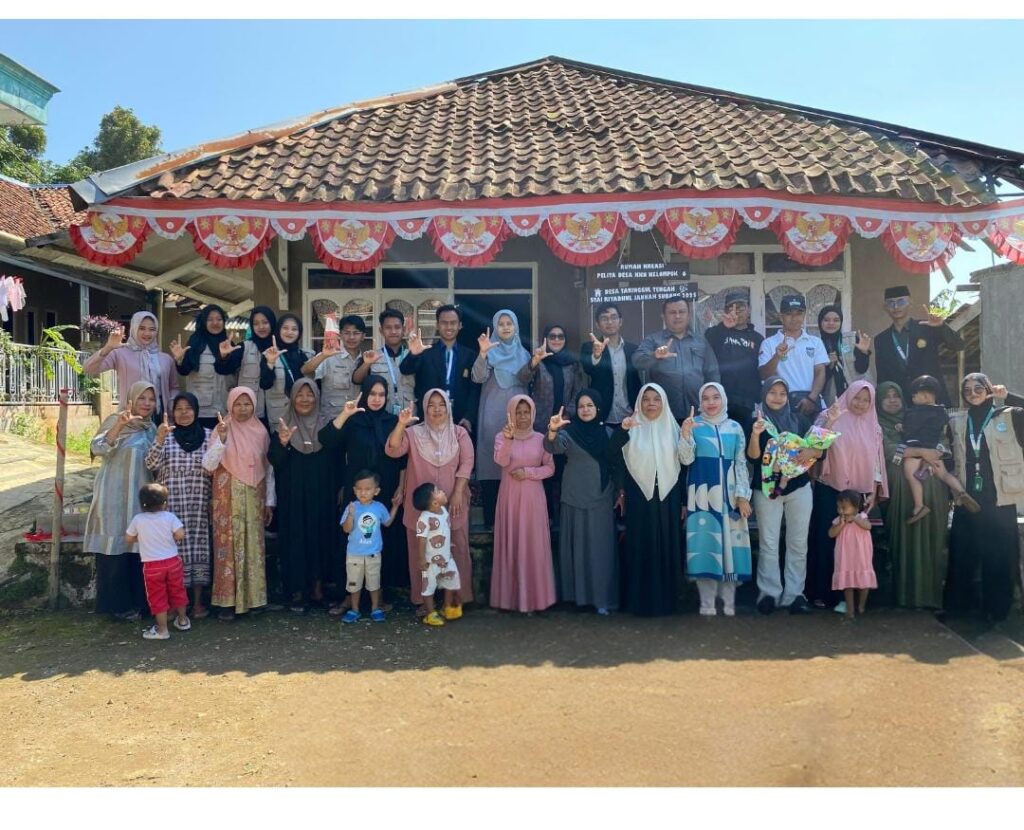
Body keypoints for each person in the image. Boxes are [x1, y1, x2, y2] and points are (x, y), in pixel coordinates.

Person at [319, 375, 408, 610]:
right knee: (351, 542)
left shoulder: (393, 421)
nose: (377, 399)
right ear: (365, 394)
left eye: (381, 395)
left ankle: (379, 598)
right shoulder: (353, 420)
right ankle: (349, 597)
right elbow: (326, 440)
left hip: (384, 489)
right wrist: (344, 414)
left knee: (382, 542)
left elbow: (402, 459)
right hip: (356, 491)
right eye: (372, 394)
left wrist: (401, 486)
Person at [386, 389, 475, 614]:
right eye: (431, 405)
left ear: (448, 407)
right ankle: (423, 600)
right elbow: (393, 450)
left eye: (441, 404)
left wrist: (458, 492)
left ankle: (457, 598)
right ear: (425, 409)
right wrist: (401, 425)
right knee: (420, 551)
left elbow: (467, 462)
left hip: (452, 502)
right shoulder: (413, 433)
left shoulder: (459, 434)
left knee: (457, 548)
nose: (437, 409)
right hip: (420, 506)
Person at [945, 373, 1024, 623]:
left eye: (978, 388)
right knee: (962, 552)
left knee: (999, 554)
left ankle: (997, 610)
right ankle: (960, 608)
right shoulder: (958, 420)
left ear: (989, 389)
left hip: (999, 497)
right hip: (967, 496)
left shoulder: (1010, 416)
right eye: (967, 390)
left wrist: (1008, 396)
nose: (973, 394)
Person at [806, 380, 888, 611]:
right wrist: (830, 422)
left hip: (857, 494)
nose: (860, 404)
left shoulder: (874, 426)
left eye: (866, 400)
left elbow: (877, 462)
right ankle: (821, 593)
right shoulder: (829, 416)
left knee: (853, 546)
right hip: (829, 488)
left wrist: (873, 489)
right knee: (825, 540)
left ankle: (847, 598)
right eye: (857, 398)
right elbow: (812, 445)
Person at [609, 383, 686, 616]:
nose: (651, 403)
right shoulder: (631, 428)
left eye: (656, 399)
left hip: (669, 497)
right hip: (639, 496)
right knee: (640, 546)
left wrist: (683, 501)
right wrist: (623, 430)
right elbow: (613, 456)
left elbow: (684, 467)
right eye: (646, 399)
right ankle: (639, 602)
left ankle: (667, 603)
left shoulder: (675, 429)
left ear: (664, 402)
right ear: (639, 403)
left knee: (667, 546)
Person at [83, 381, 158, 620]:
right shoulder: (116, 420)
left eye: (151, 399)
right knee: (114, 545)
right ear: (131, 400)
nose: (147, 403)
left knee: (137, 547)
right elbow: (97, 448)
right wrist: (118, 426)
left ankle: (139, 603)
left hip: (140, 497)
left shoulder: (152, 428)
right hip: (113, 495)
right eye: (142, 398)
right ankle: (116, 606)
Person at [679, 382, 753, 616]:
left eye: (715, 397)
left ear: (723, 399)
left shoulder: (735, 427)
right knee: (705, 545)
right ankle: (707, 604)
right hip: (702, 494)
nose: (711, 402)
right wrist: (685, 434)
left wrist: (742, 496)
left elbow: (740, 462)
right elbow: (685, 460)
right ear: (700, 402)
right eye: (706, 398)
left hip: (730, 496)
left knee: (731, 547)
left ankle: (729, 603)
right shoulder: (694, 425)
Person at [747, 376, 819, 615]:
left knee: (798, 542)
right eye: (772, 392)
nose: (777, 398)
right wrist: (755, 434)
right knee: (768, 542)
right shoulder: (757, 421)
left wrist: (811, 450)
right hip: (767, 489)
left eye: (782, 393)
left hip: (799, 487)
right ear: (764, 394)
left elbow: (819, 449)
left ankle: (794, 595)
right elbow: (753, 457)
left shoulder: (800, 420)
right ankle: (769, 593)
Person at [203, 387, 276, 620]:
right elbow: (209, 465)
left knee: (253, 546)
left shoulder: (261, 432)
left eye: (247, 404)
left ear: (254, 405)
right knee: (227, 546)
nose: (242, 409)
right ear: (230, 405)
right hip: (226, 498)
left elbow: (269, 469)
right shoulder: (222, 428)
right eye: (238, 404)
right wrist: (222, 440)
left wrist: (270, 502)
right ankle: (226, 601)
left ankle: (255, 600)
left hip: (254, 496)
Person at [876, 381, 949, 610]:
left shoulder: (921, 416)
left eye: (896, 395)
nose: (892, 400)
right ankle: (905, 598)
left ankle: (931, 598)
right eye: (886, 396)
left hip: (931, 486)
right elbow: (889, 452)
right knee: (903, 540)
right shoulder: (876, 424)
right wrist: (922, 452)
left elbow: (943, 444)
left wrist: (933, 453)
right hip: (900, 492)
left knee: (932, 539)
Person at [544, 390, 618, 615]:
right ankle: (577, 598)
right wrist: (552, 431)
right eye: (582, 406)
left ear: (598, 408)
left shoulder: (608, 433)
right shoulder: (569, 433)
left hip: (602, 496)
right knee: (577, 548)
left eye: (590, 405)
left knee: (600, 549)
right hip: (574, 496)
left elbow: (617, 463)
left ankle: (601, 599)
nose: (585, 410)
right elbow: (552, 447)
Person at [268, 378, 336, 613]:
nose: (305, 399)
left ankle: (317, 589)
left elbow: (336, 460)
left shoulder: (326, 426)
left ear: (317, 398)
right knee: (294, 539)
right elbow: (274, 461)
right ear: (292, 398)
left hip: (322, 494)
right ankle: (296, 590)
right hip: (293, 496)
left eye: (310, 395)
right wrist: (283, 443)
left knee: (320, 538)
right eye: (300, 394)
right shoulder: (283, 426)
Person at [144, 392, 213, 618]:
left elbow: (216, 467)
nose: (184, 413)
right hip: (172, 507)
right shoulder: (167, 437)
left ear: (196, 411)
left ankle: (198, 603)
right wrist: (159, 439)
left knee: (199, 551)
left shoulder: (209, 436)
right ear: (173, 413)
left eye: (188, 408)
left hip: (199, 505)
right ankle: (175, 604)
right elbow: (150, 463)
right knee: (174, 553)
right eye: (179, 409)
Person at [490, 395, 557, 613]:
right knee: (512, 542)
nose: (522, 417)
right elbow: (501, 461)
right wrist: (508, 439)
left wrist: (528, 472)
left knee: (533, 546)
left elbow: (550, 468)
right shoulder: (501, 436)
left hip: (533, 499)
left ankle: (536, 600)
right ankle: (511, 600)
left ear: (532, 414)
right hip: (509, 498)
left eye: (526, 412)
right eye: (517, 412)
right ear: (510, 414)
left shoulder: (541, 439)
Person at [854, 286, 964, 405]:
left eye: (901, 302)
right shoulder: (882, 339)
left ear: (910, 303)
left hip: (932, 399)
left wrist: (942, 326)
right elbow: (882, 377)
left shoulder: (926, 328)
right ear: (885, 307)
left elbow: (958, 345)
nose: (896, 307)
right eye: (891, 303)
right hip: (901, 403)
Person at [472, 309, 531, 527]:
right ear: (495, 328)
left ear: (516, 327)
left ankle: (515, 523)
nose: (506, 327)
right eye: (501, 324)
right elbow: (478, 377)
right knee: (492, 462)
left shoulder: (525, 355)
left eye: (509, 323)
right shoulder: (490, 352)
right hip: (492, 416)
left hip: (519, 417)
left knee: (517, 462)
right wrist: (483, 354)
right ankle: (492, 523)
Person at [518, 323, 581, 519]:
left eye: (560, 336)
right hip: (540, 427)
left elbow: (577, 393)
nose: (556, 340)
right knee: (543, 471)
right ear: (545, 339)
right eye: (552, 336)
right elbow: (522, 379)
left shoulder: (572, 364)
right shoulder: (539, 361)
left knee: (561, 472)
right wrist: (535, 361)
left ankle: (562, 519)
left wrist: (567, 415)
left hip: (564, 427)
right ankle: (544, 517)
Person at [898, 374, 980, 524]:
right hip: (934, 450)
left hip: (916, 448)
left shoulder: (914, 412)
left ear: (924, 396)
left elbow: (910, 429)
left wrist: (901, 428)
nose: (912, 399)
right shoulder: (942, 412)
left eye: (914, 396)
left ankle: (919, 506)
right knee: (944, 474)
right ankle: (961, 491)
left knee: (910, 475)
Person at [633, 295, 720, 422]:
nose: (677, 316)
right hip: (664, 414)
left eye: (682, 312)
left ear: (689, 315)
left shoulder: (701, 342)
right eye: (672, 313)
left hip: (698, 413)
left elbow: (713, 373)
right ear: (663, 316)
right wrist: (654, 356)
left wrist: (712, 402)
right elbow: (637, 361)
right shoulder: (653, 340)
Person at [83, 311, 178, 420]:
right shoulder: (120, 353)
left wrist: (171, 405)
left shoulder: (166, 359)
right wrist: (108, 347)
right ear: (134, 328)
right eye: (142, 328)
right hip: (129, 416)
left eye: (152, 329)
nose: (147, 333)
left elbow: (173, 387)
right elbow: (88, 368)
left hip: (159, 416)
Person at [400, 304, 480, 432]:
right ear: (437, 325)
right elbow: (405, 369)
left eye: (453, 323)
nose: (449, 327)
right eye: (444, 323)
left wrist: (469, 417)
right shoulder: (426, 352)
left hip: (460, 421)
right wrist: (413, 354)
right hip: (430, 418)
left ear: (460, 325)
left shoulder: (470, 355)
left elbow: (474, 390)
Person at [125, 483, 190, 640]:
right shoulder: (170, 517)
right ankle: (182, 620)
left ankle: (162, 630)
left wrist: (141, 537)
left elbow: (128, 538)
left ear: (142, 503)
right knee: (178, 591)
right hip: (173, 561)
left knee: (157, 596)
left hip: (152, 565)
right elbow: (180, 534)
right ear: (164, 503)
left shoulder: (138, 520)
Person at [339, 470, 400, 624]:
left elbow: (387, 522)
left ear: (376, 491)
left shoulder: (379, 507)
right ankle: (355, 609)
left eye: (367, 489)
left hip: (373, 553)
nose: (363, 492)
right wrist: (351, 515)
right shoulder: (351, 507)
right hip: (354, 554)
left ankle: (375, 608)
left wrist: (395, 507)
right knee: (354, 583)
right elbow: (346, 529)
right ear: (354, 490)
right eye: (359, 489)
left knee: (374, 582)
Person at [759, 295, 828, 423]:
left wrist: (811, 398)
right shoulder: (769, 343)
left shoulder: (815, 342)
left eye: (798, 313)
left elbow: (820, 372)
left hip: (811, 401)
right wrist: (777, 356)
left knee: (814, 437)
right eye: (789, 314)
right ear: (781, 316)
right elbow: (764, 375)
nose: (794, 318)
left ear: (804, 315)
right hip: (782, 403)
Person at [704, 290, 763, 437]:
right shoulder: (717, 332)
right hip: (719, 400)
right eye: (731, 308)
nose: (736, 312)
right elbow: (706, 342)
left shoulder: (757, 338)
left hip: (745, 402)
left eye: (740, 308)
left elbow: (761, 369)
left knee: (743, 440)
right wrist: (724, 327)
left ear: (749, 309)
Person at [170, 304, 237, 429]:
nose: (215, 323)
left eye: (219, 319)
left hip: (226, 410)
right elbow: (185, 370)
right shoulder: (195, 343)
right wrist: (179, 359)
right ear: (203, 322)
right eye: (210, 319)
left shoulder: (229, 344)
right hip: (202, 411)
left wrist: (224, 357)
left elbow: (234, 374)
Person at [580, 302, 641, 432]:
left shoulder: (632, 349)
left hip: (630, 416)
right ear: (597, 324)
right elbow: (588, 369)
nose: (610, 322)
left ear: (620, 321)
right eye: (604, 318)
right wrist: (596, 355)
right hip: (602, 416)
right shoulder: (589, 347)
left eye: (614, 317)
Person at [412, 482, 462, 626]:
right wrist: (421, 559)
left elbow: (444, 530)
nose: (443, 491)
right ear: (434, 502)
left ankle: (446, 607)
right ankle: (430, 613)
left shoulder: (444, 511)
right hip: (430, 562)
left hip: (446, 558)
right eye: (438, 491)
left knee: (451, 581)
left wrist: (448, 544)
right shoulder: (424, 519)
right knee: (429, 587)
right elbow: (421, 539)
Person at [218, 306, 277, 424]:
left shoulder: (282, 348)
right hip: (250, 413)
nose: (261, 327)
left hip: (277, 413)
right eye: (256, 323)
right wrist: (224, 356)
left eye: (265, 322)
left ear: (272, 323)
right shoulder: (244, 347)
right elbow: (226, 370)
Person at [352, 308, 415, 415]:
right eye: (388, 328)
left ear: (403, 329)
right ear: (381, 331)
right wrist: (367, 363)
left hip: (409, 415)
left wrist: (416, 353)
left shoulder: (412, 355)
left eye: (397, 327)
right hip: (381, 417)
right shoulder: (373, 355)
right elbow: (356, 380)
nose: (393, 331)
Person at [302, 313, 366, 419]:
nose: (351, 337)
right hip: (332, 419)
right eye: (347, 333)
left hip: (358, 419)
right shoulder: (329, 356)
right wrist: (323, 356)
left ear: (363, 336)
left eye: (356, 333)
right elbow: (305, 371)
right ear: (340, 335)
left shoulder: (366, 360)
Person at [828, 489, 877, 621]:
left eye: (844, 507)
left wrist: (855, 519)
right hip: (845, 557)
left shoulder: (862, 517)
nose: (841, 510)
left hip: (861, 556)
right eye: (839, 507)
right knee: (847, 584)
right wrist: (841, 524)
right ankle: (850, 609)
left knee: (864, 583)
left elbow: (868, 527)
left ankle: (861, 606)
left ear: (856, 507)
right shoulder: (839, 520)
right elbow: (831, 534)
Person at [259, 312, 313, 427]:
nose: (289, 332)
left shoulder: (306, 355)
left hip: (304, 413)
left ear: (299, 333)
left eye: (294, 329)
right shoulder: (269, 354)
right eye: (285, 328)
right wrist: (270, 362)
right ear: (278, 330)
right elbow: (265, 384)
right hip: (279, 416)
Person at [816, 304, 872, 406]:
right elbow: (817, 381)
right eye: (826, 320)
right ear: (820, 322)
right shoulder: (816, 345)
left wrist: (864, 353)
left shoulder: (852, 340)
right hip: (831, 400)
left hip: (856, 396)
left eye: (836, 320)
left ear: (841, 322)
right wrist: (828, 366)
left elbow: (861, 369)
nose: (831, 323)